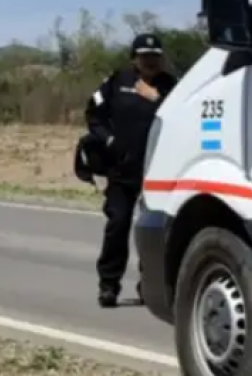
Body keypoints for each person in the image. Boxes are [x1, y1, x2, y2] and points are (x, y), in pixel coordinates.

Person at [85, 33, 178, 308]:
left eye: (155, 56)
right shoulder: (118, 81)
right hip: (122, 169)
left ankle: (148, 287)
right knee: (118, 224)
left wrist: (157, 99)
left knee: (156, 231)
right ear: (134, 58)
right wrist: (109, 139)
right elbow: (93, 115)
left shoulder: (172, 86)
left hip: (159, 172)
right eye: (144, 56)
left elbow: (184, 118)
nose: (150, 61)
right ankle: (108, 285)